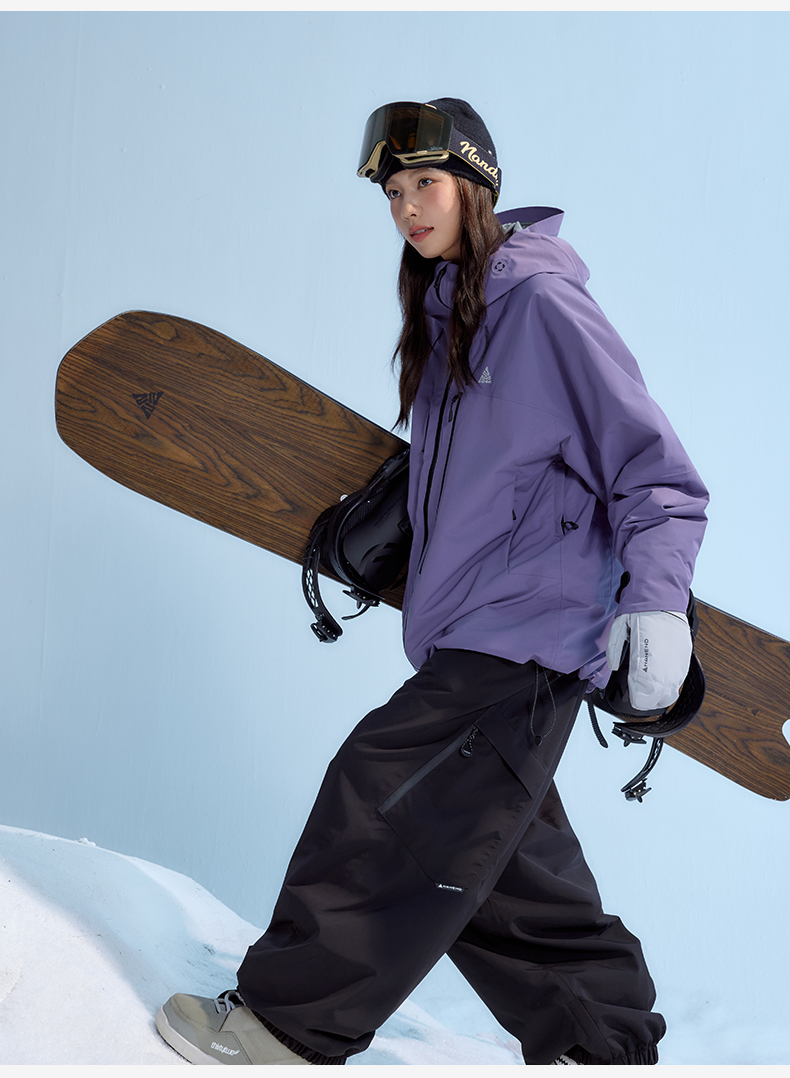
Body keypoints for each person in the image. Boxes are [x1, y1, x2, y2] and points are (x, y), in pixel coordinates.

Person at [155, 98, 708, 1066]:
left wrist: (658, 605)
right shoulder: (453, 314)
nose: (408, 207)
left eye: (427, 184)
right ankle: (600, 1045)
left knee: (381, 793)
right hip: (477, 631)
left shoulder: (539, 306)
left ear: (476, 189)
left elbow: (655, 472)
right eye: (393, 192)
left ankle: (286, 1026)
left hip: (527, 635)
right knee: (500, 865)